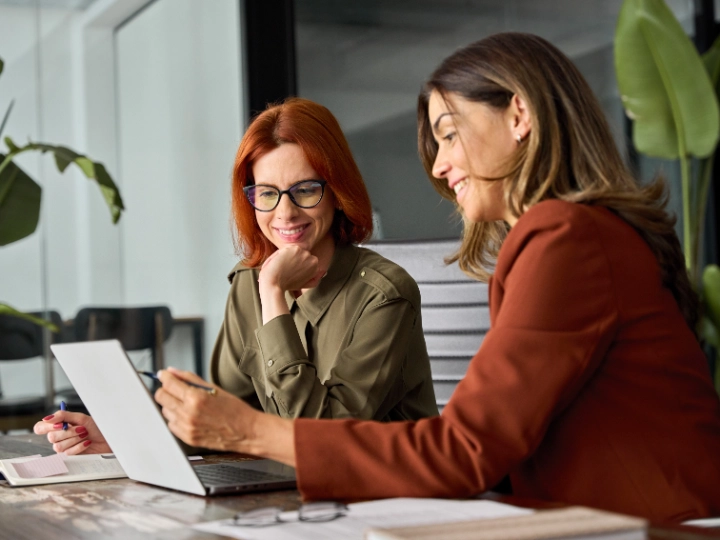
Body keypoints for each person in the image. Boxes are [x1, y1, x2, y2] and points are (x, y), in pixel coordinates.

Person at [35, 98, 438, 454]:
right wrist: (121, 435)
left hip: (379, 499)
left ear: (337, 191)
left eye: (305, 190)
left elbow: (318, 438)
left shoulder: (384, 295)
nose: (285, 213)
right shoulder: (249, 283)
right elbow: (226, 415)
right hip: (281, 493)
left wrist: (274, 294)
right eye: (267, 193)